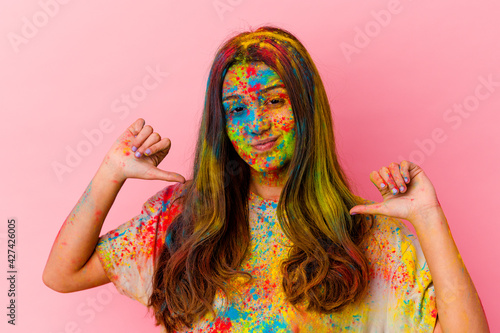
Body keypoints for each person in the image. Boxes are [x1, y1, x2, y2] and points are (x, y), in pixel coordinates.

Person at [43, 27, 489, 332]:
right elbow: (62, 274)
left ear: (306, 111)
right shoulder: (183, 219)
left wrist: (428, 218)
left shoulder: (365, 234)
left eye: (274, 101)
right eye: (237, 108)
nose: (256, 124)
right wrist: (111, 173)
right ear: (222, 122)